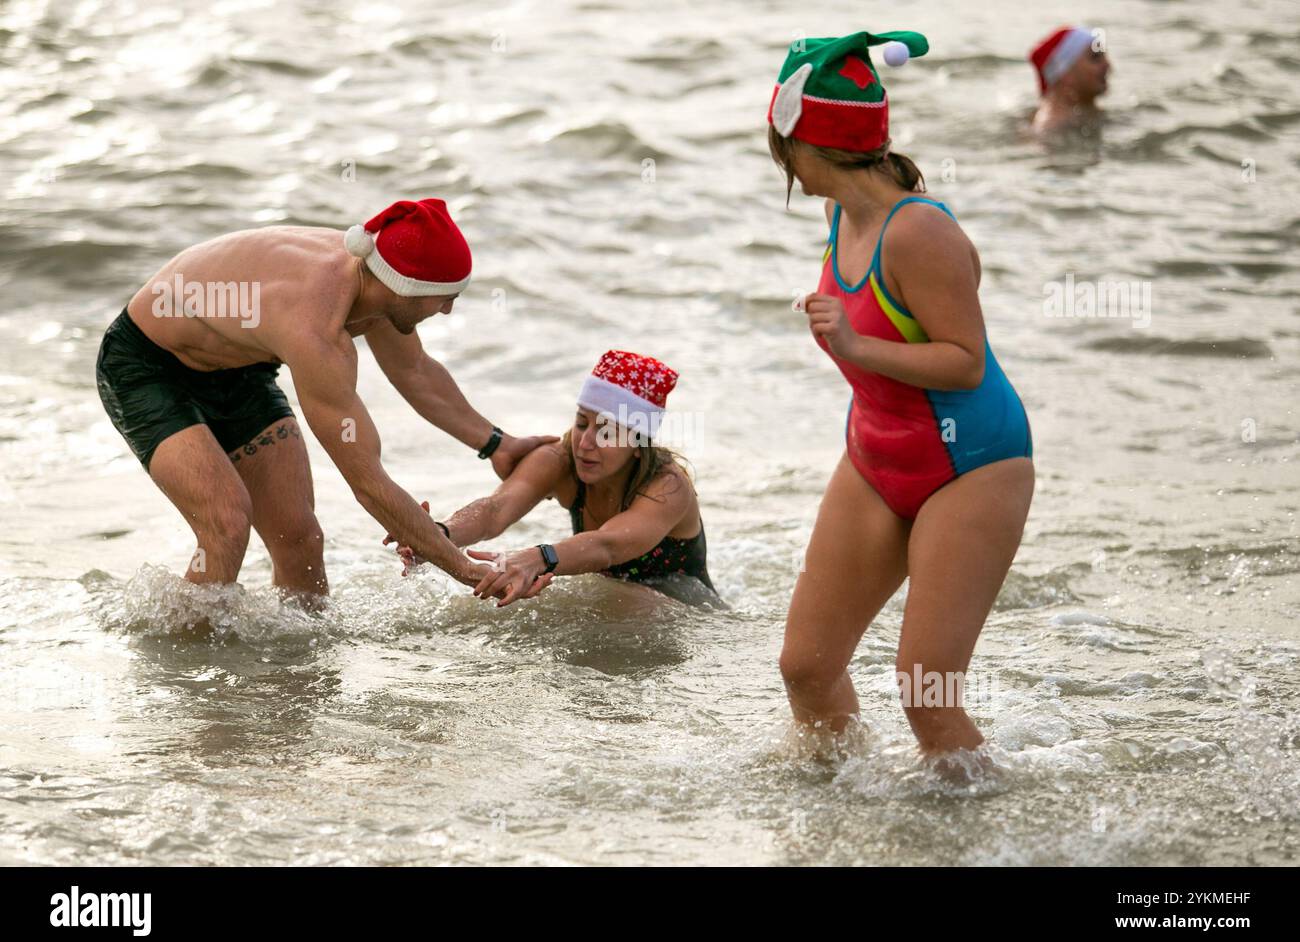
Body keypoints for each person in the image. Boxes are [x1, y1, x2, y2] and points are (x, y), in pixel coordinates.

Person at [765, 31, 1035, 777]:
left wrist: (854, 346)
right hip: (877, 456)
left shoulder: (920, 231)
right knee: (806, 667)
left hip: (972, 464)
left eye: (779, 144)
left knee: (927, 691)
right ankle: (832, 814)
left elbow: (964, 361)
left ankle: (987, 839)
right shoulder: (839, 216)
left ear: (805, 143)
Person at [95, 198, 557, 599]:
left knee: (300, 538)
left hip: (239, 369)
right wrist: (468, 569)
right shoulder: (316, 327)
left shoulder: (376, 281)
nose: (448, 308)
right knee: (226, 524)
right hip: (149, 366)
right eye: (442, 297)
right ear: (405, 289)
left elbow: (415, 371)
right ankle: (191, 681)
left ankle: (300, 682)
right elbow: (367, 482)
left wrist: (498, 444)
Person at [385, 350, 717, 608]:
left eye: (607, 432)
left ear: (638, 443)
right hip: (611, 603)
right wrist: (437, 535)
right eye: (582, 423)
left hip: (683, 614)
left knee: (617, 600)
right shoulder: (559, 459)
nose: (585, 444)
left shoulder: (668, 487)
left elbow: (607, 546)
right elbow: (494, 510)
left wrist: (540, 558)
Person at [1029, 26, 1110, 135]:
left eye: (1104, 56)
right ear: (1065, 73)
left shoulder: (1086, 113)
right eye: (1095, 57)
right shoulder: (1052, 129)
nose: (1107, 65)